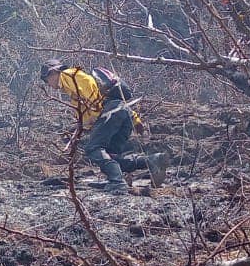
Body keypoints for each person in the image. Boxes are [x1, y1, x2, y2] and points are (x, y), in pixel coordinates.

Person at [40, 60, 166, 194]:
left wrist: (95, 112)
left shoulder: (68, 75)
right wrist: (136, 120)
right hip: (123, 113)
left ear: (53, 72)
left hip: (110, 113)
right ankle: (153, 160)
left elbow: (90, 93)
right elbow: (111, 103)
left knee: (93, 148)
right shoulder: (73, 84)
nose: (47, 84)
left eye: (46, 79)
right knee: (111, 155)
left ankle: (117, 182)